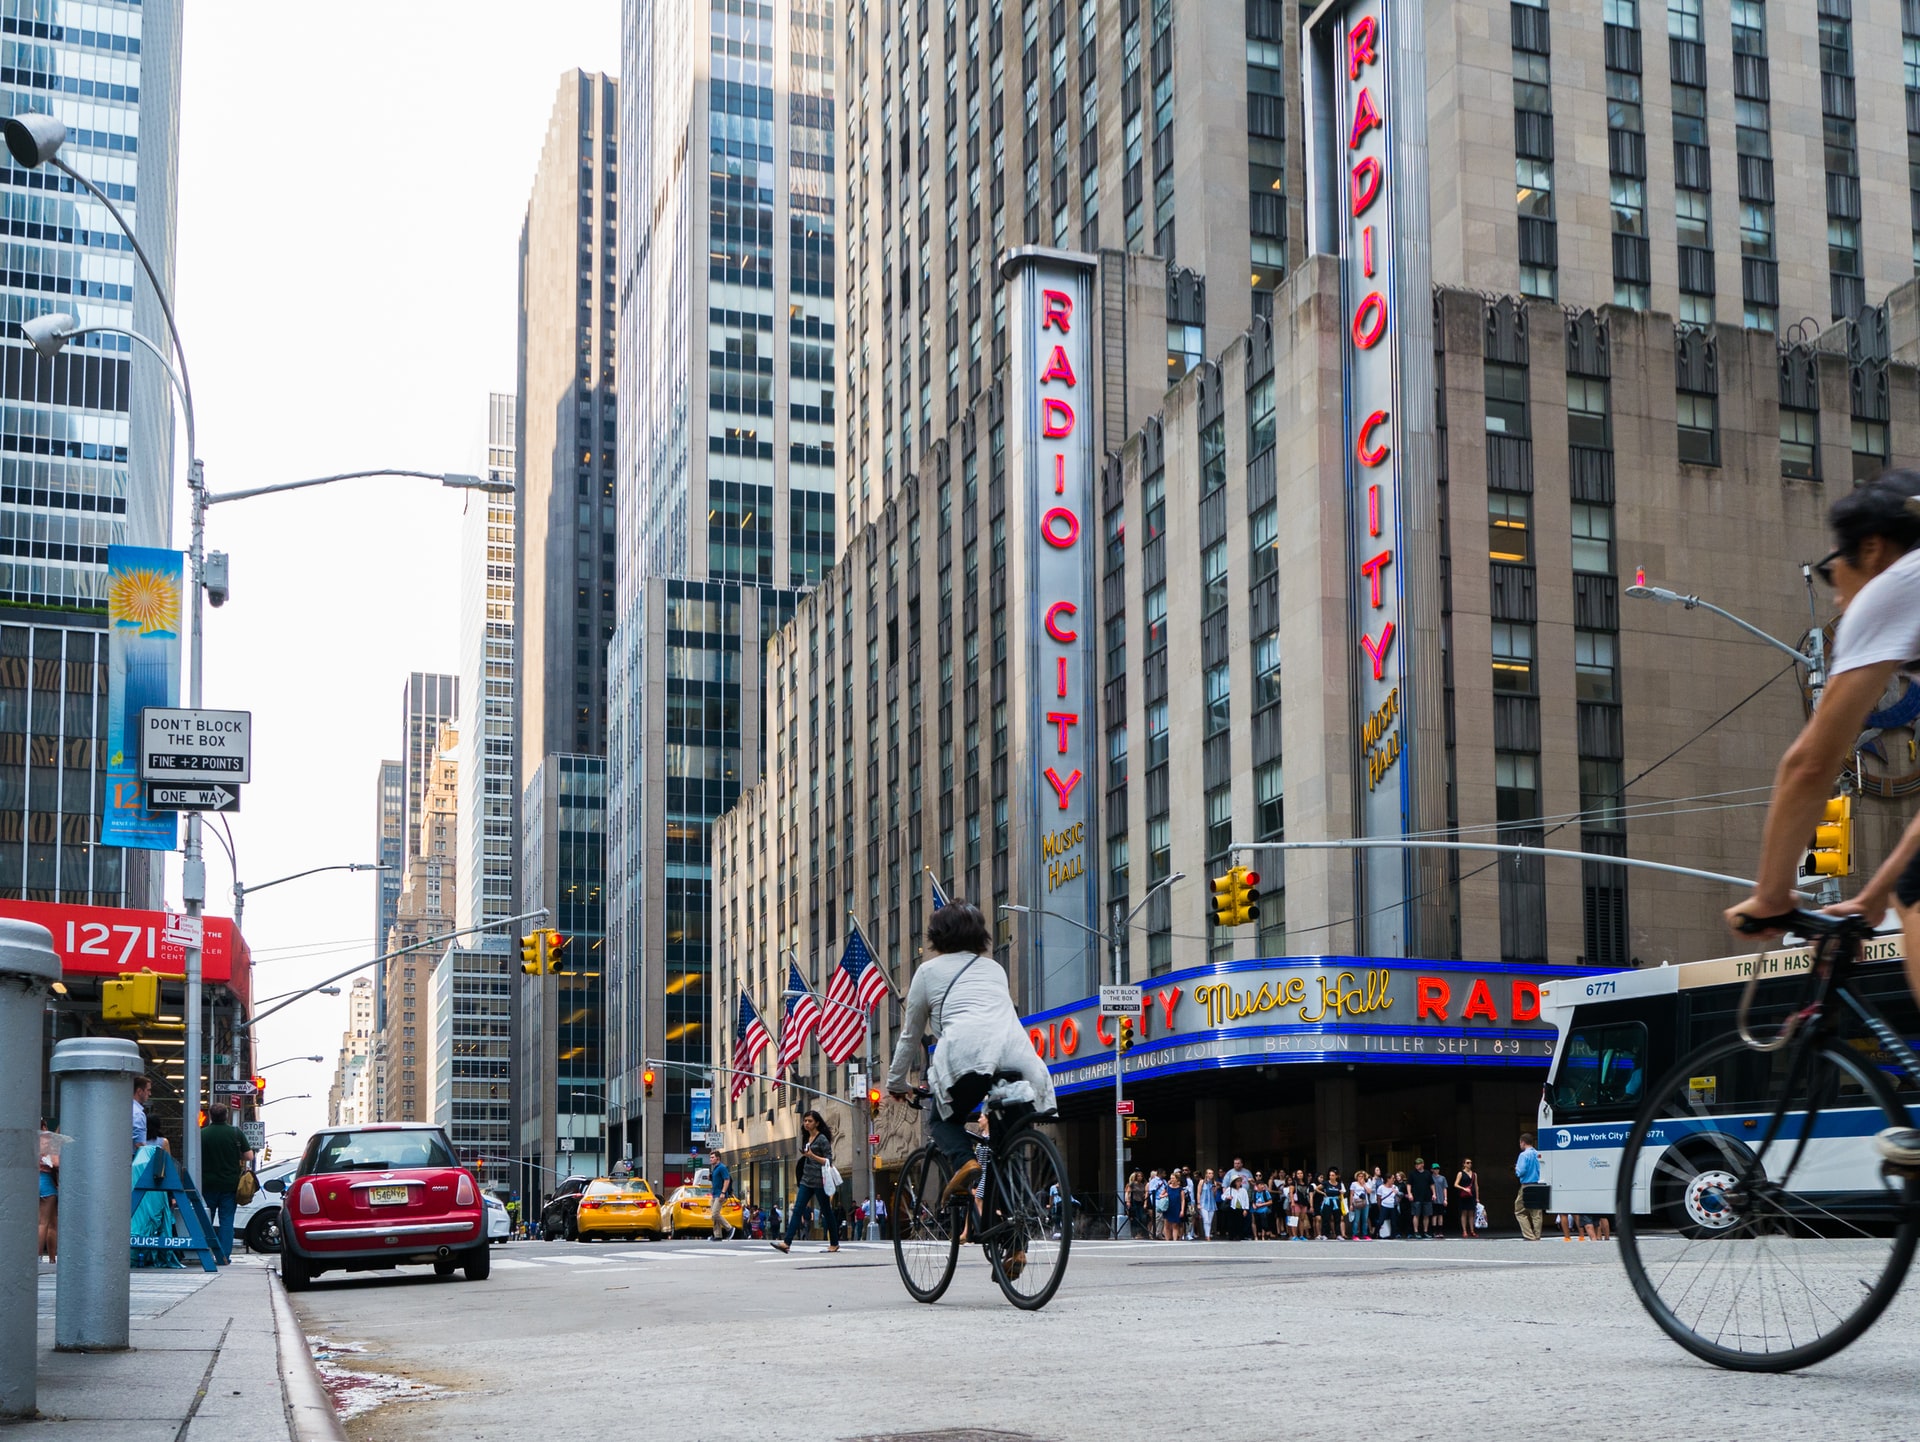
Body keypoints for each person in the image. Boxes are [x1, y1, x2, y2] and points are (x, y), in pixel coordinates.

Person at [1723, 472, 1920, 1164]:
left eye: (1832, 571)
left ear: (1870, 549)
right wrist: (1869, 900)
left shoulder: (1896, 587)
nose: (1836, 588)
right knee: (1910, 885)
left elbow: (1809, 764)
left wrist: (1773, 896)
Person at [885, 900, 1057, 1191]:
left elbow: (910, 1036)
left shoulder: (927, 973)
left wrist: (895, 1083)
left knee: (943, 1122)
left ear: (937, 935)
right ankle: (1012, 1225)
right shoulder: (994, 969)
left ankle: (964, 1161)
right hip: (1019, 1059)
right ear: (980, 935)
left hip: (967, 1060)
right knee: (1007, 1147)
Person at [770, 1110, 841, 1254]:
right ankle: (787, 1243)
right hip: (806, 1180)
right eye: (805, 1121)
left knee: (826, 1211)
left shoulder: (822, 1139)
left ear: (817, 1123)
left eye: (810, 1121)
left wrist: (812, 1155)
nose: (807, 1123)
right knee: (797, 1210)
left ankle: (834, 1243)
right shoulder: (806, 1138)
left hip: (820, 1181)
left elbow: (828, 1160)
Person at [197, 1104, 252, 1263]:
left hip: (207, 1185)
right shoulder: (235, 1133)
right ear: (226, 1115)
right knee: (226, 1221)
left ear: (210, 1115)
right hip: (230, 1185)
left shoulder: (202, 1134)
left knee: (206, 1220)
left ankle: (205, 1254)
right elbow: (249, 1156)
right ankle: (223, 1256)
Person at [1514, 1132, 1545, 1241]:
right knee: (1536, 1212)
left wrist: (1516, 1170)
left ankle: (1529, 1235)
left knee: (1519, 1211)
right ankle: (1537, 1235)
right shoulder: (1538, 1153)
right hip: (1537, 1184)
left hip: (1526, 1185)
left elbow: (1521, 1171)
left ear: (1523, 1142)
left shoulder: (1523, 1155)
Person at [37, 1118, 60, 1263]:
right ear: (44, 1126)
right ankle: (41, 1257)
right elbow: (56, 1163)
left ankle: (50, 1259)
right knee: (47, 1223)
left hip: (33, 1180)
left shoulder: (30, 1138)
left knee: (43, 1221)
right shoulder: (49, 1139)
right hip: (46, 1181)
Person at [131, 1075, 168, 1154]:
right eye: (148, 1090)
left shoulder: (127, 1108)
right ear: (139, 1091)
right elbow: (139, 1144)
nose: (150, 1093)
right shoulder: (138, 1114)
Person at [707, 1149, 735, 1239]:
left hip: (720, 1195)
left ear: (717, 1158)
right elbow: (718, 1181)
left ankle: (729, 1228)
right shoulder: (715, 1168)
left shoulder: (722, 1167)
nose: (710, 1159)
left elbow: (727, 1180)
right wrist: (711, 1178)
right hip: (714, 1194)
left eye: (712, 1157)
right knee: (714, 1216)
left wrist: (723, 1192)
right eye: (710, 1157)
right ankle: (717, 1235)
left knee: (715, 1214)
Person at [1453, 1159, 1481, 1239]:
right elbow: (1455, 1184)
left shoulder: (1474, 1174)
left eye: (1470, 1163)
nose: (1469, 1164)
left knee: (1471, 1213)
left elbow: (1476, 1186)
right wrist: (1464, 1188)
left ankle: (1472, 1231)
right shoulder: (1461, 1173)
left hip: (1472, 1195)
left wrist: (1477, 1197)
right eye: (1468, 1163)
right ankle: (1464, 1231)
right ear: (1464, 1164)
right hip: (1464, 1195)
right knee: (1464, 1212)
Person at [1409, 1159, 1431, 1238]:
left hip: (1427, 1196)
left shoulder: (1427, 1173)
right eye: (1415, 1164)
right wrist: (1409, 1193)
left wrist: (1434, 1193)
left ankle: (1425, 1231)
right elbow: (1409, 1184)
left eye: (1418, 1164)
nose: (1416, 1165)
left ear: (1422, 1164)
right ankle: (1416, 1231)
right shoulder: (1412, 1174)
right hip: (1416, 1196)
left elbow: (1431, 1184)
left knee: (1426, 1215)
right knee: (1416, 1214)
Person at [1197, 1168, 1219, 1241]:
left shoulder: (1214, 1183)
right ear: (1206, 1174)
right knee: (1206, 1220)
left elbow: (1215, 1195)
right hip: (1203, 1203)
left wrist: (1215, 1190)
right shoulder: (1202, 1182)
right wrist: (1198, 1203)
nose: (1211, 1175)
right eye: (1209, 1173)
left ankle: (1208, 1234)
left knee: (1209, 1221)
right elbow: (1198, 1193)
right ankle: (1207, 1236)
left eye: (1212, 1173)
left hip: (1211, 1204)